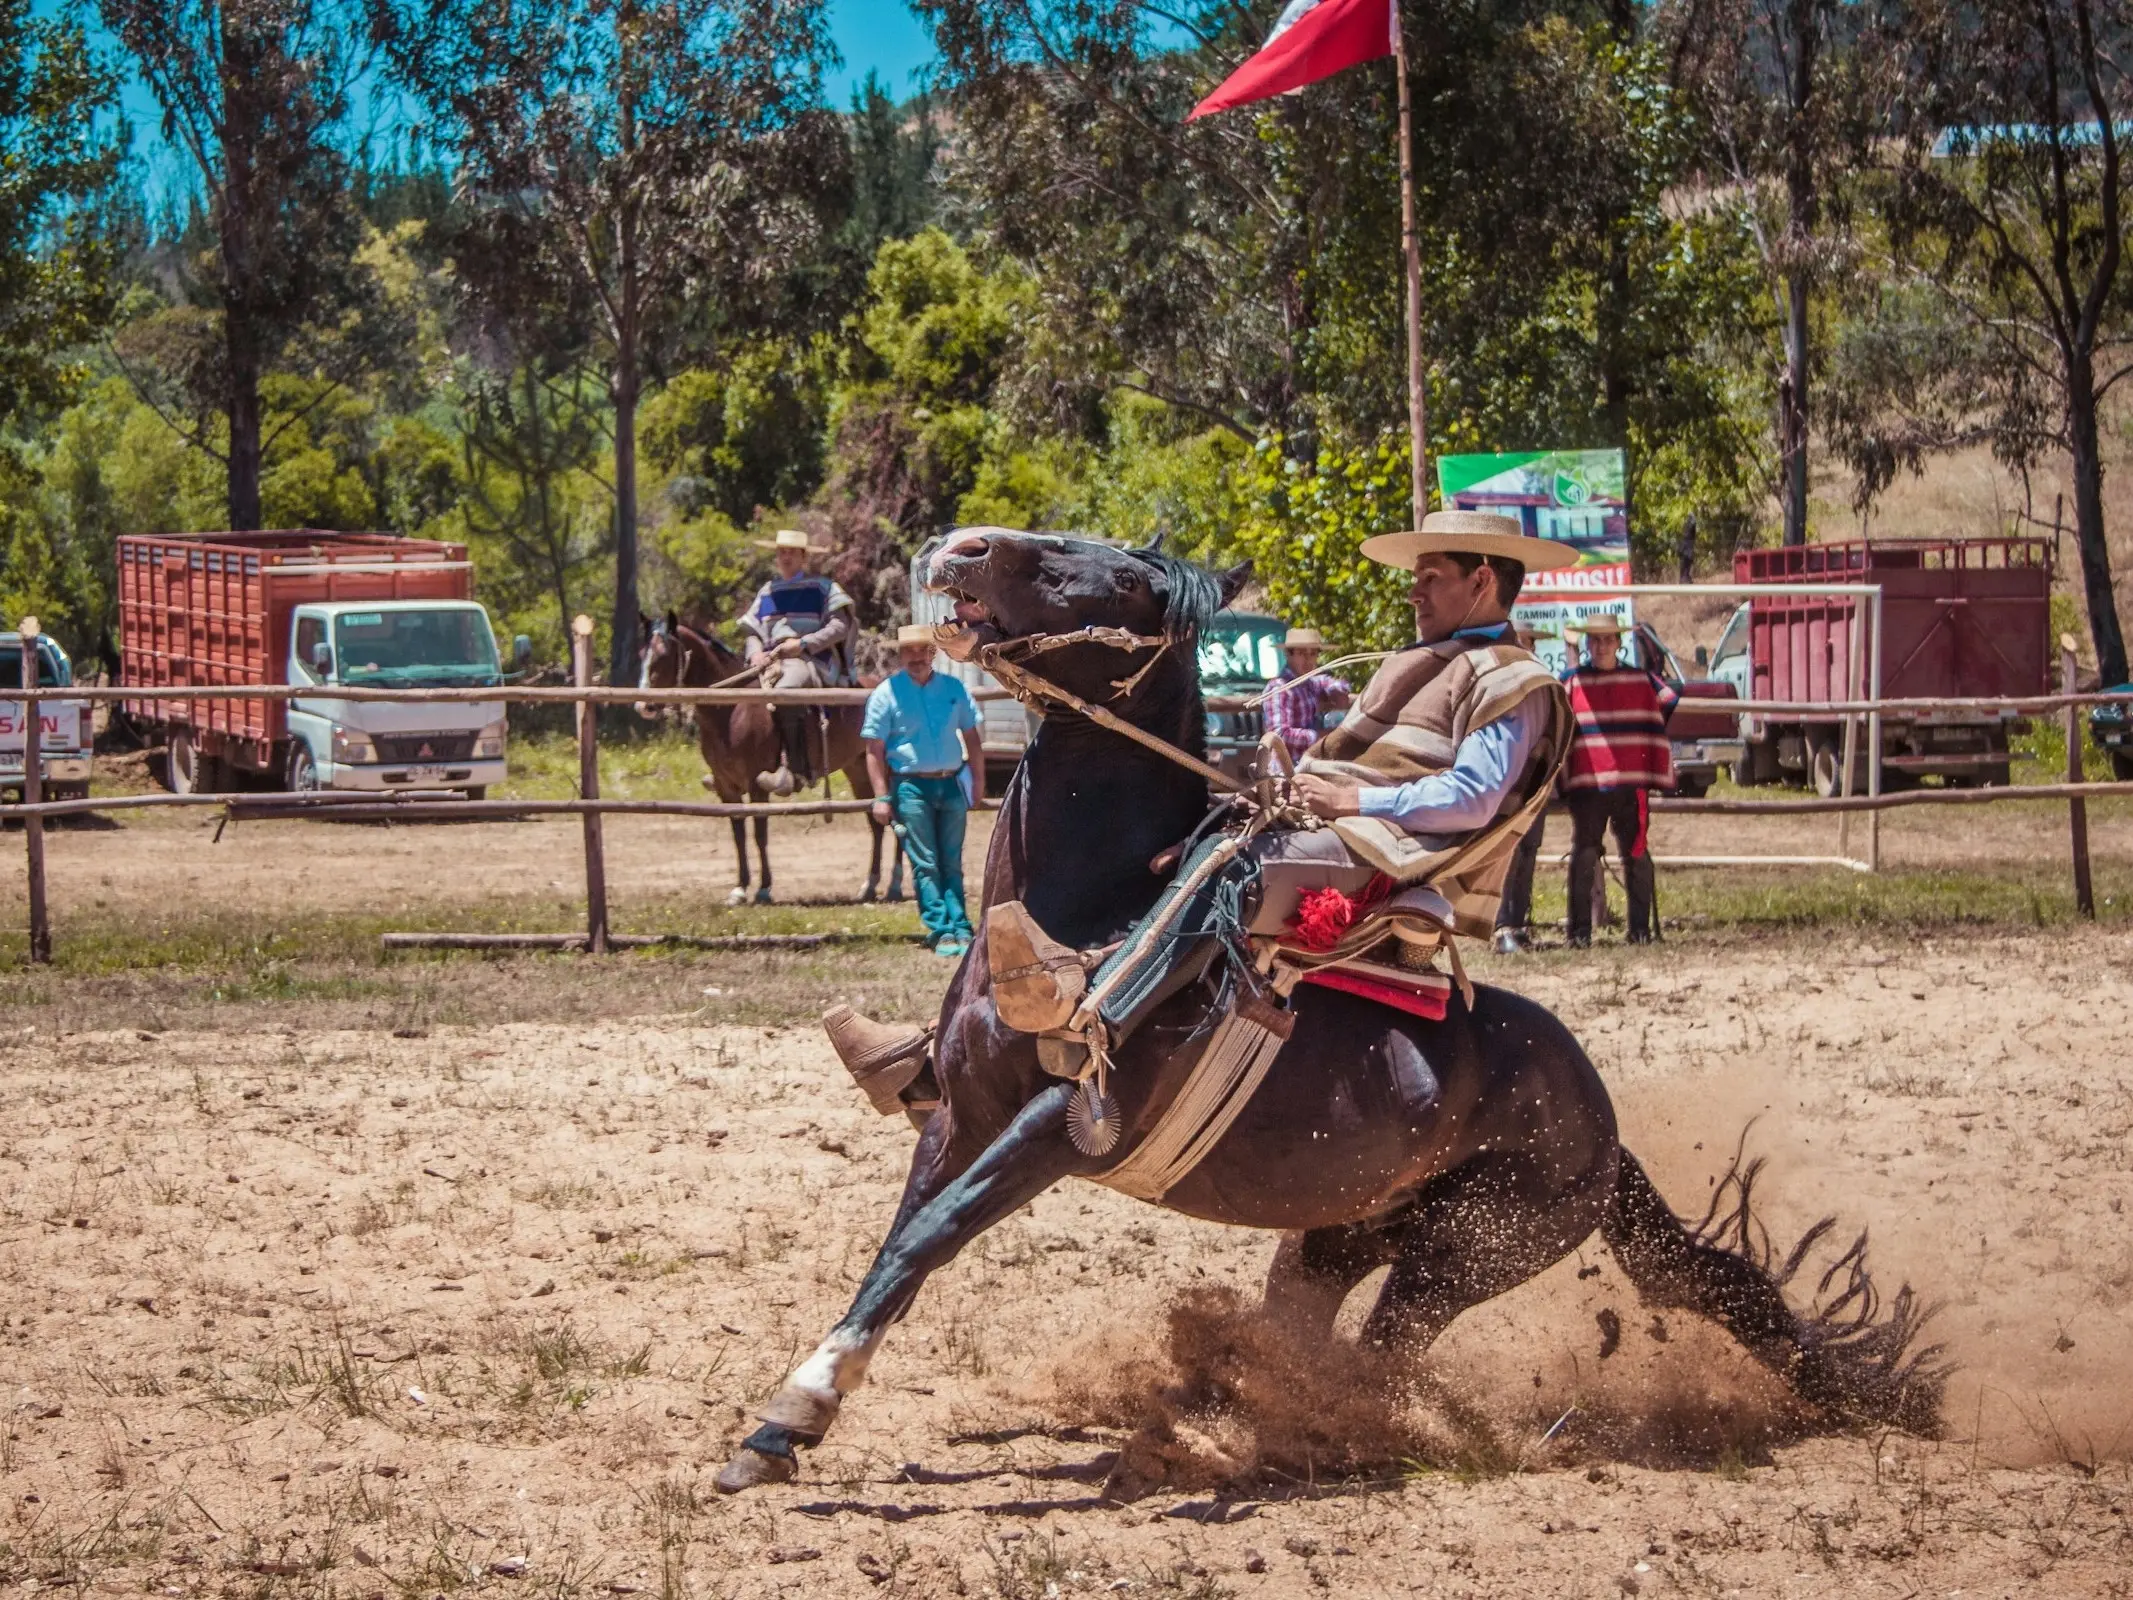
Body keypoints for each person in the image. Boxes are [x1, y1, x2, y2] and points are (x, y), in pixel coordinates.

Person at [861, 624, 985, 959]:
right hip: (911, 785)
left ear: (933, 653)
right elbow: (874, 749)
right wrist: (881, 796)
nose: (916, 657)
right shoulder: (886, 695)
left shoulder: (953, 688)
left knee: (952, 859)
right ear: (900, 655)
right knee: (926, 861)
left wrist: (978, 781)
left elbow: (972, 739)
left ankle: (961, 925)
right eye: (909, 651)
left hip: (951, 781)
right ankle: (941, 928)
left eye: (922, 650)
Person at [1561, 615, 1678, 947]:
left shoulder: (1639, 680)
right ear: (1586, 644)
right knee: (1584, 854)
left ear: (1618, 643)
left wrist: (1644, 730)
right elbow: (1555, 717)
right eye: (1594, 640)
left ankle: (1639, 931)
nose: (1601, 646)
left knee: (1636, 853)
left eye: (1607, 640)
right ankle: (1579, 932)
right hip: (1588, 783)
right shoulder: (1571, 681)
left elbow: (1669, 698)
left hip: (1631, 782)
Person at [740, 528, 856, 796]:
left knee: (786, 691)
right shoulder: (767, 591)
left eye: (792, 552)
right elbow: (752, 631)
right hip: (768, 661)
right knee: (734, 699)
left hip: (808, 660)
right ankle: (730, 768)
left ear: (803, 557)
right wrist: (755, 652)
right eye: (782, 552)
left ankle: (796, 770)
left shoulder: (823, 587)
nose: (786, 557)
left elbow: (841, 625)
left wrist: (802, 644)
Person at [1492, 625, 1557, 955]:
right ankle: (1502, 925)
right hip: (1508, 784)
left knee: (1529, 852)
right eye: (1522, 643)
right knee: (1508, 854)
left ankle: (1518, 923)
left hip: (1537, 780)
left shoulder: (1543, 685)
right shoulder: (1499, 686)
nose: (1526, 649)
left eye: (1530, 644)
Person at [1262, 627, 1352, 759]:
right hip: (1288, 767)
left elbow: (1327, 681)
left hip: (1309, 762)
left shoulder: (1309, 682)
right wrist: (1322, 736)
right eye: (1302, 653)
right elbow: (1278, 735)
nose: (1308, 659)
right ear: (1288, 654)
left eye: (1313, 654)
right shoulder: (1279, 688)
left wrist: (1337, 691)